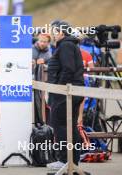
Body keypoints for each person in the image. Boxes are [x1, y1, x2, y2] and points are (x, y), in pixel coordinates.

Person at [46, 20, 84, 170]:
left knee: (60, 125)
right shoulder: (66, 45)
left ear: (61, 32)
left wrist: (59, 88)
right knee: (68, 126)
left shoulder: (66, 45)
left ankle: (64, 159)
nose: (52, 34)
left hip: (66, 92)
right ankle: (71, 161)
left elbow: (68, 69)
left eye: (54, 31)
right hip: (70, 91)